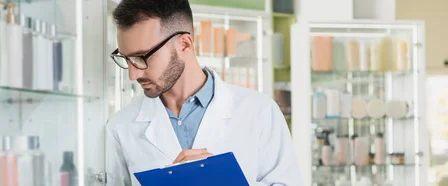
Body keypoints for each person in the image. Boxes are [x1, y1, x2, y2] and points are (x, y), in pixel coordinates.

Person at [105, 0, 303, 185]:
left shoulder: (259, 111)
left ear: (185, 44)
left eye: (142, 57)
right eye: (127, 59)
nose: (133, 74)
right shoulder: (121, 126)